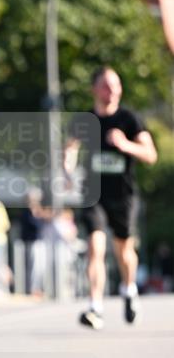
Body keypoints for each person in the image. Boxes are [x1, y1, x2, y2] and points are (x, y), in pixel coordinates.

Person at [65, 65, 157, 329]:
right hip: (93, 194)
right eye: (106, 85)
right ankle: (95, 307)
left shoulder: (130, 119)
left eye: (116, 85)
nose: (113, 90)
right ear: (94, 89)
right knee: (95, 246)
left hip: (123, 195)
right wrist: (67, 170)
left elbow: (150, 155)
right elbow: (69, 148)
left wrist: (125, 144)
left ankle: (129, 289)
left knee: (124, 250)